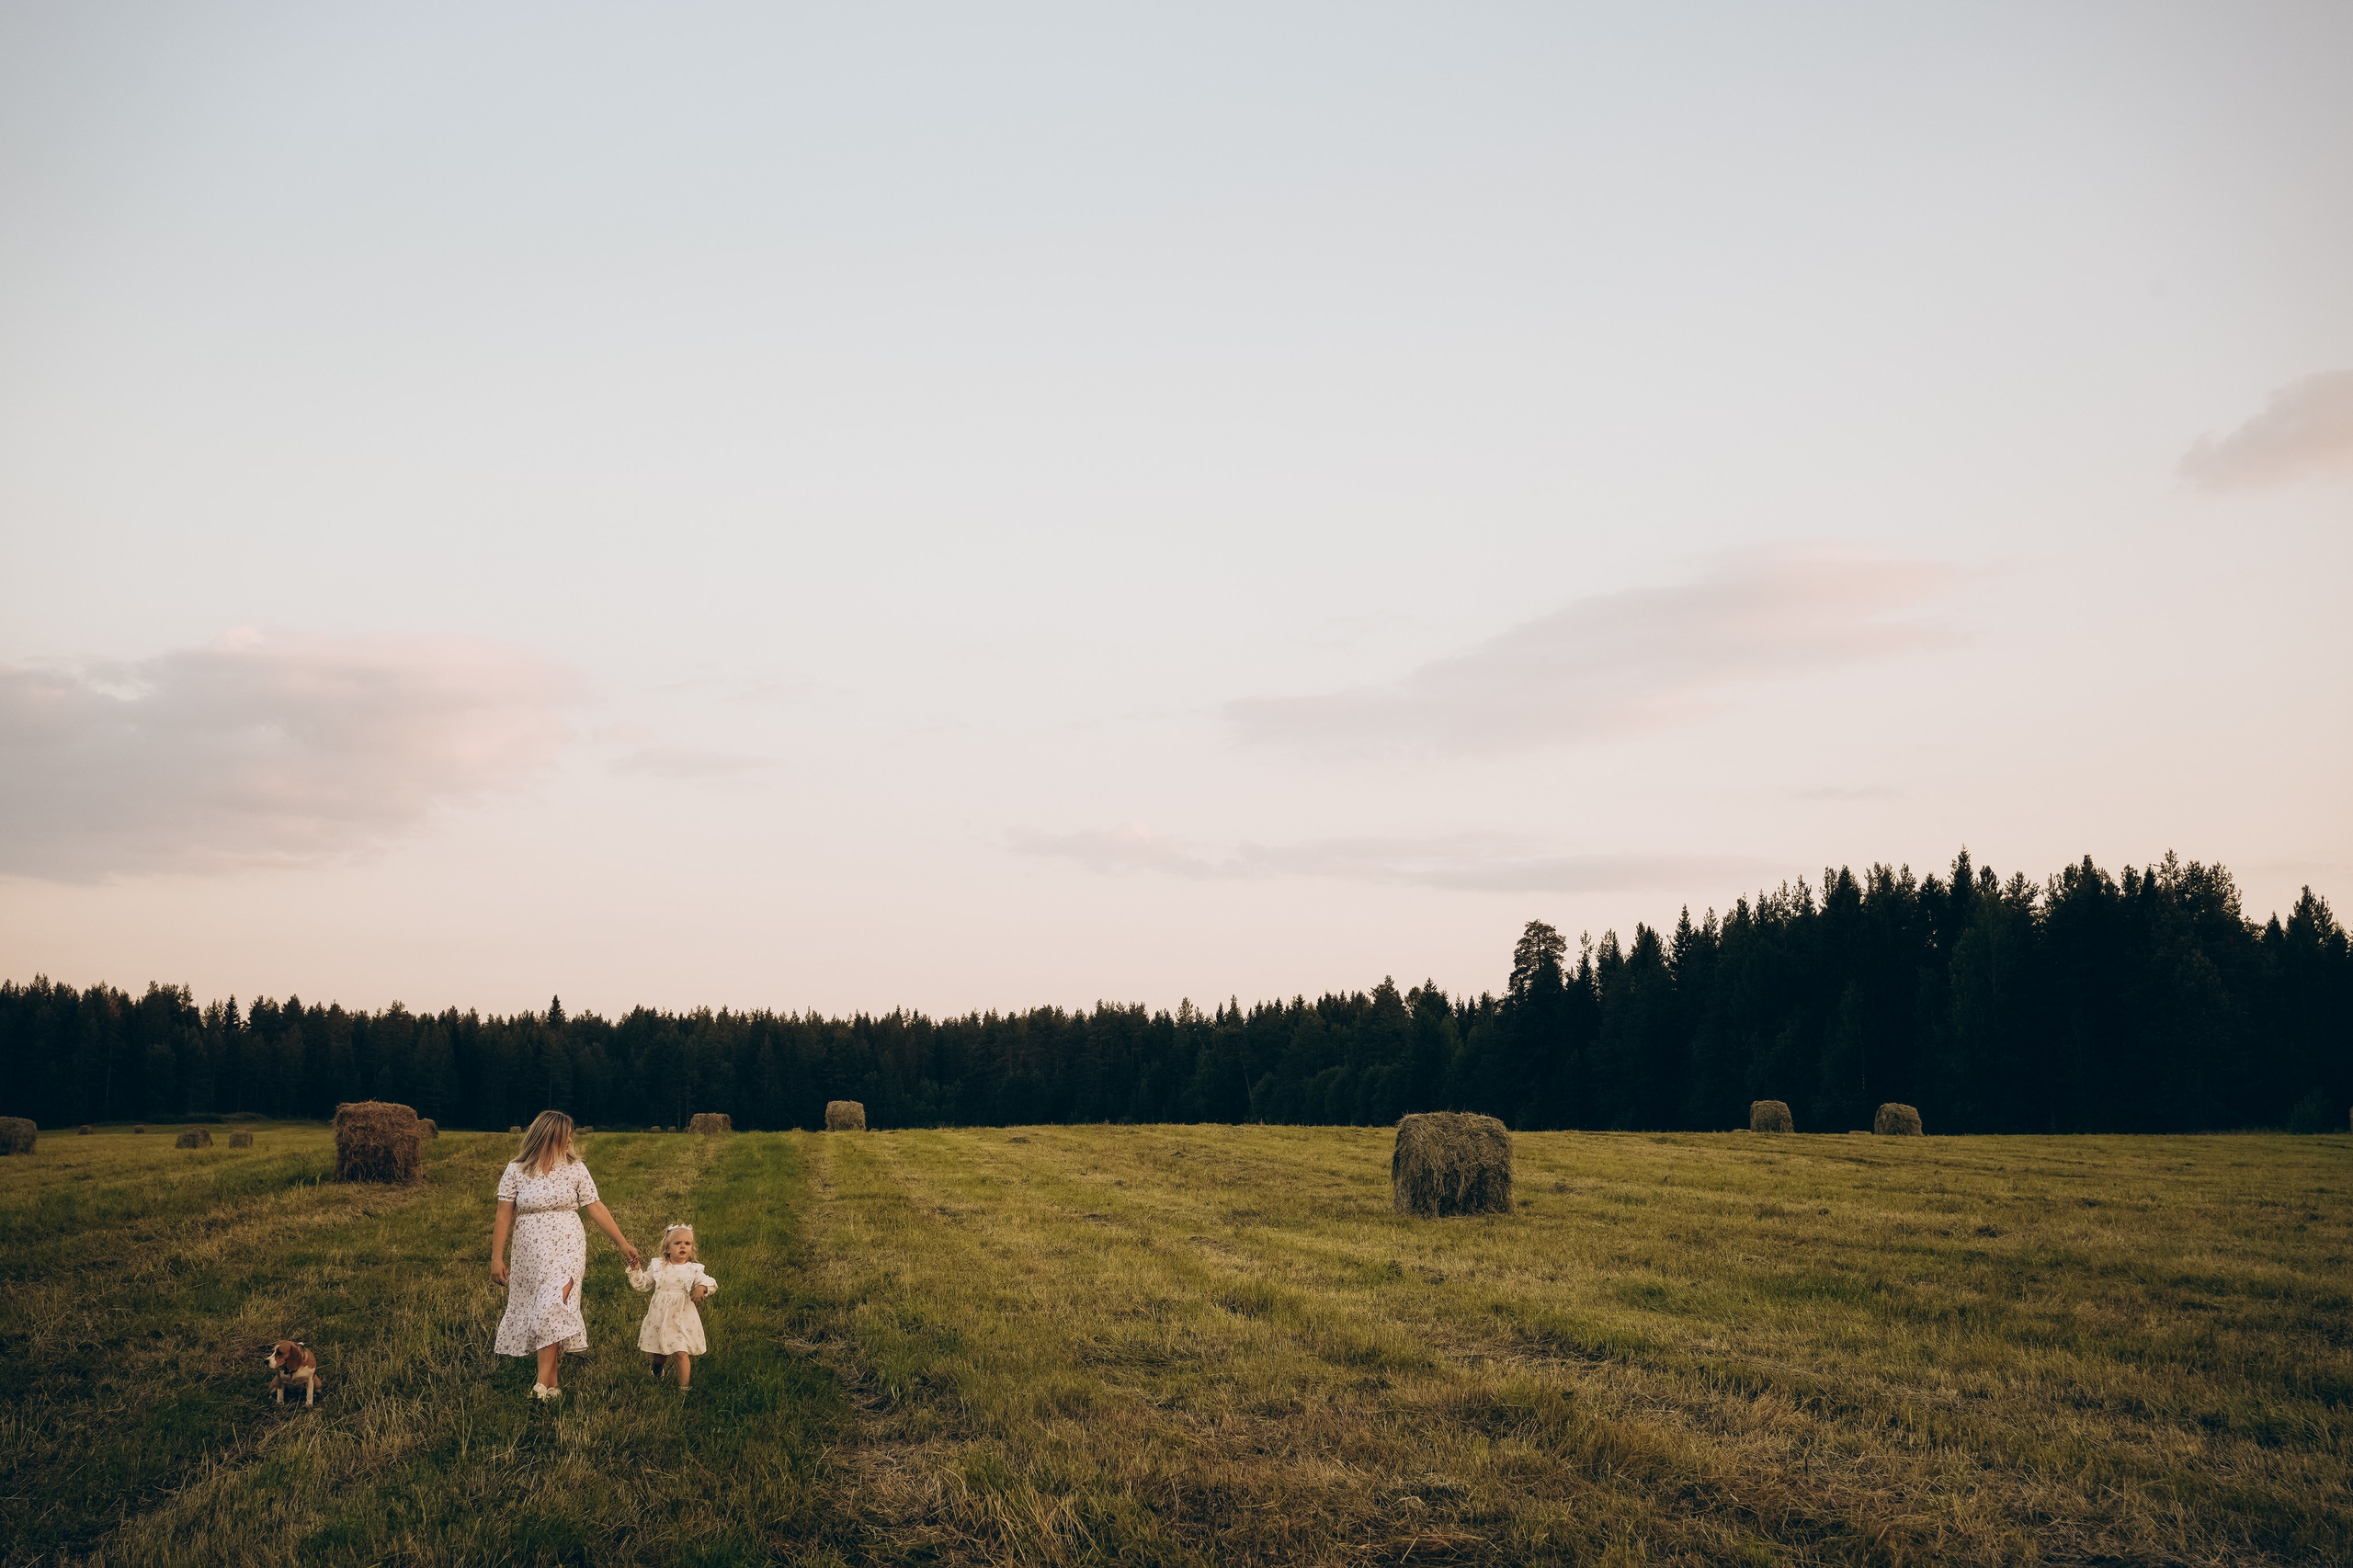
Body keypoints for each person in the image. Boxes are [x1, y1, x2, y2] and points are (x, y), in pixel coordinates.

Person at [490, 1109, 642, 1402]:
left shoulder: (576, 1169)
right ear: (551, 1136)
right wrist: (497, 1258)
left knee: (552, 1306)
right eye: (567, 1133)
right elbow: (503, 1215)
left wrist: (622, 1243)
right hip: (529, 1252)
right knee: (543, 1312)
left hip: (568, 1246)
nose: (571, 1138)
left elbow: (595, 1206)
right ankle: (553, 1385)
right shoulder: (516, 1170)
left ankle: (541, 1385)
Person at [628, 1222, 718, 1391]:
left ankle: (684, 1388)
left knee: (681, 1352)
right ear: (667, 1248)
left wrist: (702, 1288)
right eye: (677, 1243)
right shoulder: (659, 1267)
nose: (683, 1246)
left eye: (687, 1243)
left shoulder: (694, 1270)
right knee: (659, 1356)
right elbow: (643, 1284)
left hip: (683, 1317)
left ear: (692, 1248)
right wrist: (636, 1270)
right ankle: (656, 1374)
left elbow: (710, 1282)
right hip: (661, 1317)